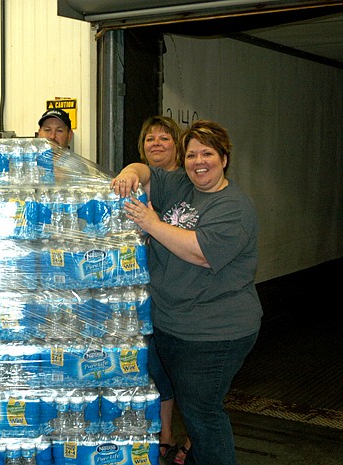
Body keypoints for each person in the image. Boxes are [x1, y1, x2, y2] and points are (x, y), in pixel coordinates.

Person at [112, 120, 262, 465]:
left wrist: (151, 223)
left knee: (202, 415)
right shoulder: (181, 184)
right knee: (193, 411)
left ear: (224, 159)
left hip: (214, 332)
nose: (199, 161)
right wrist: (129, 174)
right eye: (192, 154)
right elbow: (147, 172)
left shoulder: (233, 207)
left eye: (207, 153)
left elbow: (200, 252)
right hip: (173, 324)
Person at [137, 115, 192, 464]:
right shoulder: (137, 181)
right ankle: (166, 433)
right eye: (149, 139)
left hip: (182, 293)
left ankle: (195, 438)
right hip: (143, 291)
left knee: (190, 374)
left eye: (164, 138)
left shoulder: (190, 184)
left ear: (178, 145)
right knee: (157, 367)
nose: (156, 144)